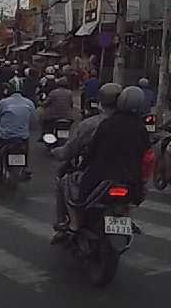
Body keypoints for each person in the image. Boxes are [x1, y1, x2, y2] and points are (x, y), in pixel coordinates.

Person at [56, 85, 150, 238]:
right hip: (132, 179)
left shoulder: (101, 124)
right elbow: (146, 154)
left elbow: (92, 151)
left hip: (101, 176)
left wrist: (81, 166)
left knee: (67, 183)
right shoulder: (140, 127)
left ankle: (74, 224)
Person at [51, 82, 123, 240]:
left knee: (64, 182)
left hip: (97, 175)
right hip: (128, 176)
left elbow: (71, 149)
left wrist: (57, 152)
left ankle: (70, 223)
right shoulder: (132, 123)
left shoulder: (91, 124)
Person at [0, 85, 36, 173]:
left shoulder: (3, 102)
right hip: (22, 136)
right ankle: (25, 166)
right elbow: (33, 121)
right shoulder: (29, 103)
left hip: (5, 136)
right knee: (25, 145)